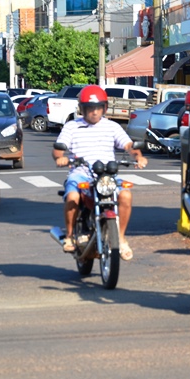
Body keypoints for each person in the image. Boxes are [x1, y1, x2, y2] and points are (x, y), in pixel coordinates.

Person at [52, 84, 148, 261]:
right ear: (82, 109)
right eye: (90, 108)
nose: (94, 112)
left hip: (107, 176)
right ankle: (70, 236)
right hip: (81, 173)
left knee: (126, 195)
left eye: (98, 108)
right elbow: (59, 148)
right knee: (72, 197)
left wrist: (138, 157)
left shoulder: (112, 126)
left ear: (104, 108)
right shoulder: (72, 127)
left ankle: (120, 238)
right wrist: (61, 157)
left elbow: (128, 145)